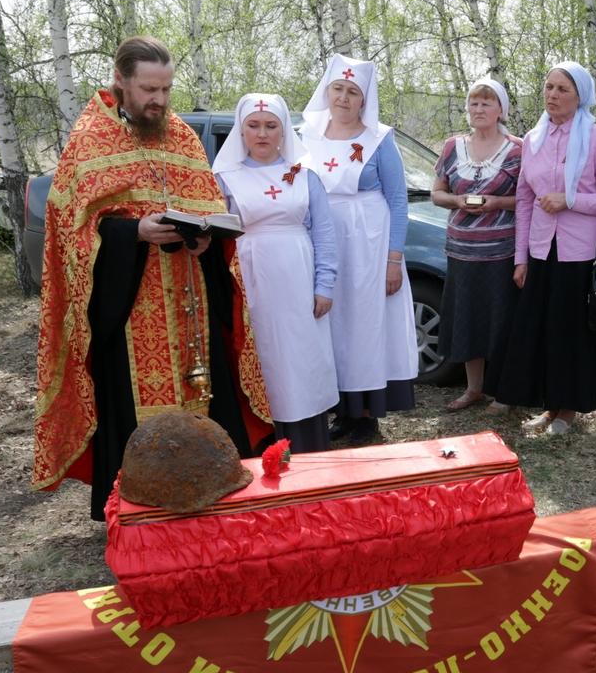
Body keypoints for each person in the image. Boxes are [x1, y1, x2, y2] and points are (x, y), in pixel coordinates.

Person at [33, 36, 269, 520]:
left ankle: (213, 489)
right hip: (131, 307)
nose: (158, 100)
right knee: (133, 404)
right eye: (147, 89)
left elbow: (208, 209)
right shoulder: (89, 139)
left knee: (206, 393)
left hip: (191, 298)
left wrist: (207, 240)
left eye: (165, 89)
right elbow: (72, 234)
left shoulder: (181, 135)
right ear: (120, 81)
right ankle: (140, 508)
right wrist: (133, 232)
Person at [494, 61, 596, 435]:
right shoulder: (533, 138)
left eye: (562, 89)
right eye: (548, 87)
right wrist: (520, 257)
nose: (552, 95)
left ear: (580, 96)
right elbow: (524, 200)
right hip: (541, 250)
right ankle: (549, 406)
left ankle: (568, 409)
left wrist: (571, 199)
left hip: (581, 253)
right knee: (542, 330)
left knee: (571, 332)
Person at [299, 54, 417, 445]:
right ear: (327, 90)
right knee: (330, 324)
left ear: (365, 98)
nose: (344, 98)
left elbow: (399, 200)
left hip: (369, 241)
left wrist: (393, 260)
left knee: (364, 326)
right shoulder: (305, 135)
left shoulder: (379, 139)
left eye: (353, 92)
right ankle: (342, 410)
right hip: (323, 237)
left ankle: (366, 415)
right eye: (338, 89)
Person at [212, 94, 339, 451]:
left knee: (301, 361)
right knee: (264, 359)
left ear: (284, 130)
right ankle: (263, 446)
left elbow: (324, 232)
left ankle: (308, 447)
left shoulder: (304, 173)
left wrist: (324, 284)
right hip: (251, 278)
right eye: (254, 125)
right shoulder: (224, 177)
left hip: (299, 276)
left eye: (271, 126)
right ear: (241, 129)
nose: (262, 134)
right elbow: (218, 235)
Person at [430, 77, 522, 414]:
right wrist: (457, 199)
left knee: (499, 320)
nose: (479, 109)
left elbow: (526, 198)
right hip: (461, 250)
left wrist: (497, 202)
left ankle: (502, 392)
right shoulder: (453, 146)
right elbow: (436, 193)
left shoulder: (517, 149)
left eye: (486, 103)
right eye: (474, 103)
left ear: (501, 109)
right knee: (467, 318)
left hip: (502, 251)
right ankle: (473, 389)